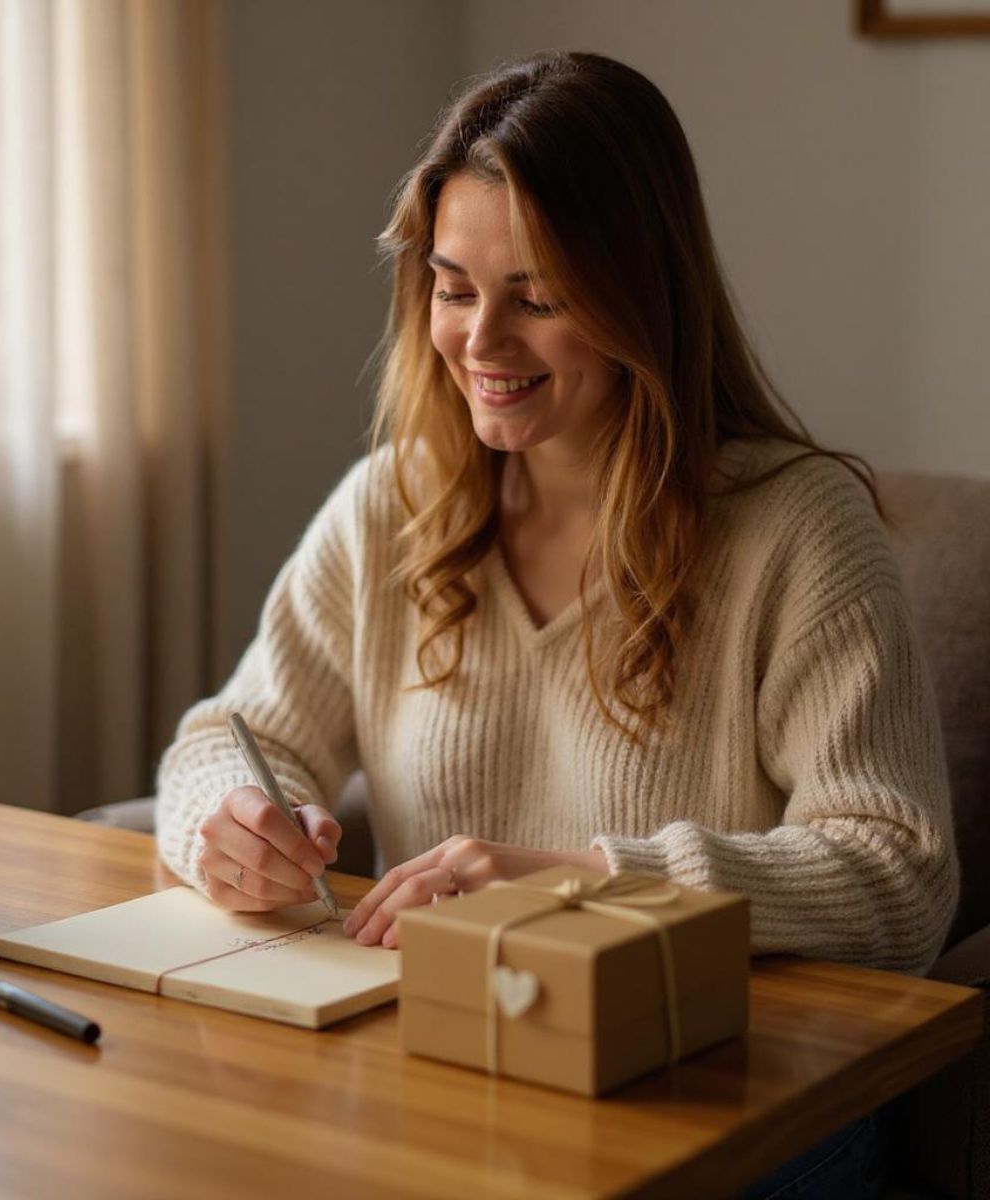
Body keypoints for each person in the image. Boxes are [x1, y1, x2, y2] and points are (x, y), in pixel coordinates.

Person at [157, 52, 953, 1195]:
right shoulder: (392, 504)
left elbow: (901, 874)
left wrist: (578, 881)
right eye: (453, 286)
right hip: (458, 1084)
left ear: (642, 296)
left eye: (537, 298)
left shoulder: (797, 530)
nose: (481, 343)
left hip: (736, 1108)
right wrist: (229, 821)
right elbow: (227, 739)